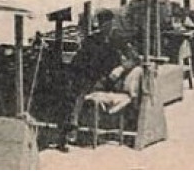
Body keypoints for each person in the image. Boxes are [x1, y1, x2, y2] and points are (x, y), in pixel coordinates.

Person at [55, 11, 140, 152]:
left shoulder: (118, 40)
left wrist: (121, 67)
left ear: (113, 23)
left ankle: (70, 129)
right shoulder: (92, 40)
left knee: (77, 90)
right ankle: (67, 129)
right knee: (70, 87)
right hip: (92, 77)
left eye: (109, 24)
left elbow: (136, 59)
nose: (107, 27)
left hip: (110, 80)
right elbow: (80, 59)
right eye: (103, 24)